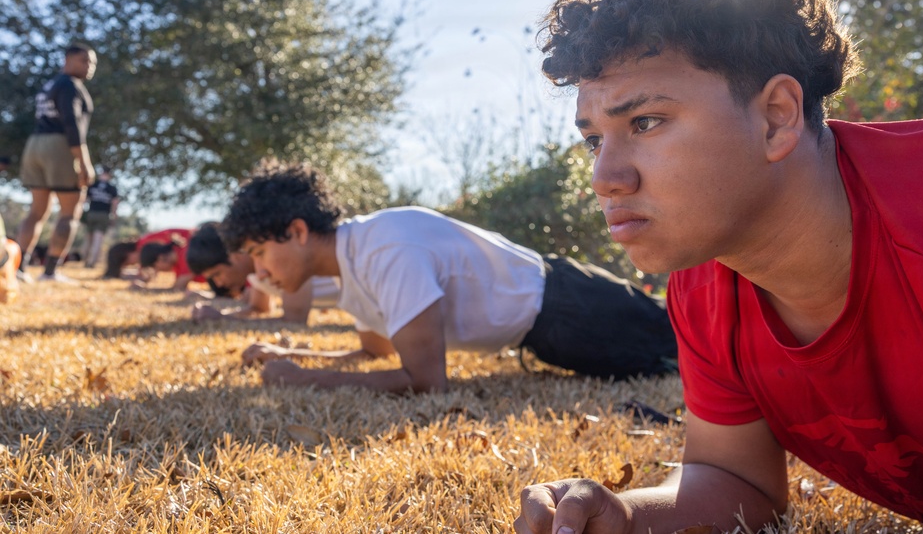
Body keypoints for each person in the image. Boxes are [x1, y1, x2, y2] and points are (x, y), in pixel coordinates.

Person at [512, 0, 923, 534]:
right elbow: (736, 479)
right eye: (593, 140)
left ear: (776, 117)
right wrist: (627, 516)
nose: (605, 178)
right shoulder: (705, 280)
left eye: (645, 121)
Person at [221, 160, 678, 390]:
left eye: (259, 253)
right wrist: (290, 354)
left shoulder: (385, 250)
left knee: (688, 341)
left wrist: (304, 378)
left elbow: (426, 382)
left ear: (298, 232)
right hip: (551, 328)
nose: (258, 271)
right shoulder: (353, 262)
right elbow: (374, 351)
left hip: (575, 307)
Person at [15, 43, 98, 285]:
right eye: (84, 60)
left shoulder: (50, 84)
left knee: (37, 211)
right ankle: (50, 271)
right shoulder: (70, 85)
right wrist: (84, 162)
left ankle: (18, 267)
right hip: (60, 146)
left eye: (92, 62)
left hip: (35, 145)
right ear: (67, 60)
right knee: (70, 211)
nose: (89, 66)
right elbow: (72, 124)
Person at [185, 221, 339, 324]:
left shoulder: (276, 260)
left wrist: (223, 319)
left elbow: (294, 319)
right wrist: (222, 315)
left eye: (217, 274)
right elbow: (259, 308)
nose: (219, 284)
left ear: (233, 255)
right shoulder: (256, 272)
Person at [131, 228, 203, 292]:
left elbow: (177, 289)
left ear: (160, 258)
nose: (159, 271)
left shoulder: (185, 256)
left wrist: (144, 290)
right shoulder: (178, 261)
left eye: (156, 268)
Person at [81, 167, 119, 268]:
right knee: (98, 240)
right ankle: (92, 262)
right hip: (103, 215)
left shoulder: (93, 185)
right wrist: (114, 216)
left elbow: (84, 200)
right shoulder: (112, 188)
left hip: (91, 214)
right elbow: (114, 203)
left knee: (88, 239)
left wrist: (81, 213)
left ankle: (85, 260)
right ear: (109, 175)